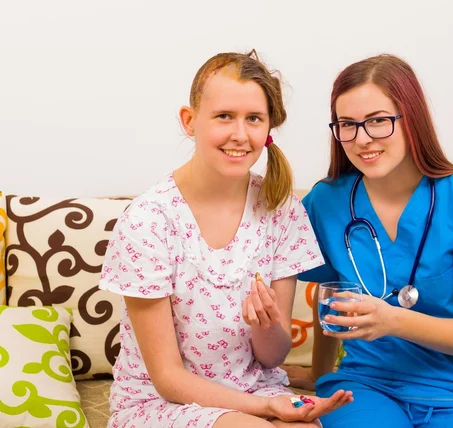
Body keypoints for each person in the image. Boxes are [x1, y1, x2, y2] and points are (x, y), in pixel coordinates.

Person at [98, 50, 352, 428]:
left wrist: (266, 327)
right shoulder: (149, 220)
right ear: (190, 120)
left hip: (255, 388)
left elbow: (271, 357)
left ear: (267, 128)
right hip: (163, 400)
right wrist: (268, 410)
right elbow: (168, 378)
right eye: (224, 117)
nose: (239, 134)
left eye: (253, 119)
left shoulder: (280, 209)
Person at [282, 54, 453, 427]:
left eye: (378, 121)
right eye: (348, 124)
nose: (362, 140)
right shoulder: (325, 202)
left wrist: (391, 321)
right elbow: (329, 292)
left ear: (412, 120)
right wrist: (319, 372)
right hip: (365, 386)